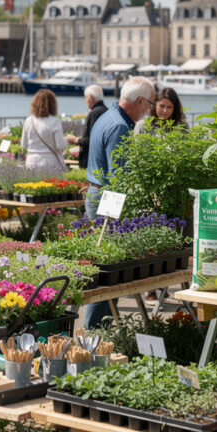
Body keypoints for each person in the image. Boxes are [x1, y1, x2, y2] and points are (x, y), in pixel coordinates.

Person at [83, 76, 155, 328]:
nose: (149, 111)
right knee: (107, 269)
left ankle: (104, 328)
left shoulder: (106, 117)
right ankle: (94, 330)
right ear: (139, 101)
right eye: (149, 105)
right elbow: (119, 178)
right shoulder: (120, 127)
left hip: (96, 191)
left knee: (105, 263)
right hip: (107, 197)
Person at [21, 89, 67, 170]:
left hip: (31, 161)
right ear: (53, 104)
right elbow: (60, 146)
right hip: (50, 162)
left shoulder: (28, 120)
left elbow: (23, 145)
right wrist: (67, 140)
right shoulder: (55, 121)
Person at [66, 85, 107, 170]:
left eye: (86, 97)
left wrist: (75, 140)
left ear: (91, 98)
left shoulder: (94, 113)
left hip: (91, 161)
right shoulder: (106, 110)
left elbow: (92, 140)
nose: (85, 100)